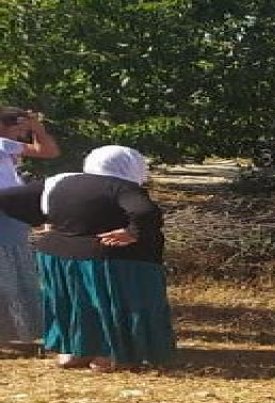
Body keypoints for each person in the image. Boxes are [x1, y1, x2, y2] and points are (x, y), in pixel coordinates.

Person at [0, 145, 174, 371]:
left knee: (75, 304)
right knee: (114, 304)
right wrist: (133, 233)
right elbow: (145, 212)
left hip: (57, 258)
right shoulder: (121, 186)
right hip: (111, 261)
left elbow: (8, 197)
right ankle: (109, 355)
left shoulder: (61, 180)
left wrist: (40, 219)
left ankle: (74, 352)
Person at [0, 107, 60, 352]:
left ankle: (11, 330)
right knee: (9, 266)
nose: (22, 134)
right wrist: (37, 128)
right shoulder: (3, 144)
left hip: (11, 210)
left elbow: (47, 151)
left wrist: (35, 127)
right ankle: (13, 328)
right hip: (7, 208)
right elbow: (48, 151)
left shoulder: (6, 146)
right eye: (20, 128)